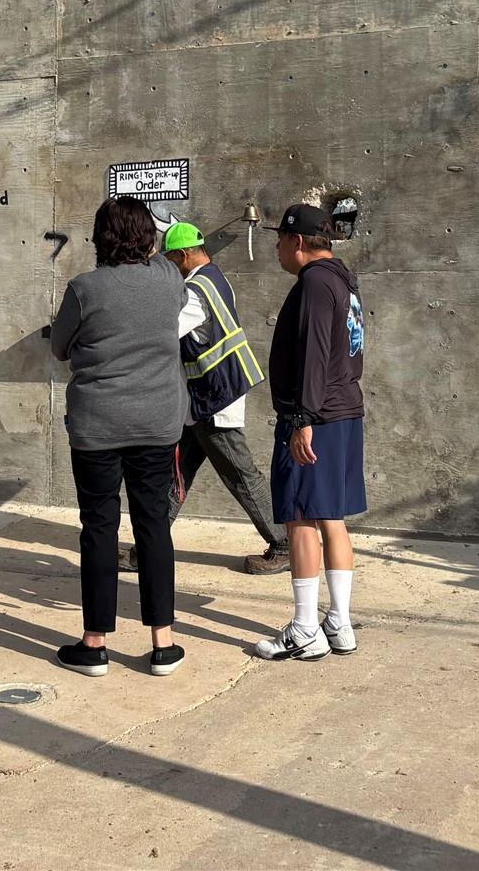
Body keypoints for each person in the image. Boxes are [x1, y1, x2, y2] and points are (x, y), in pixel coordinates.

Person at [48, 196, 187, 678]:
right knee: (154, 526)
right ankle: (163, 643)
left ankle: (95, 645)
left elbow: (60, 347)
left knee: (99, 529)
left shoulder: (84, 289)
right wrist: (159, 234)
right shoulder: (168, 280)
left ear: (99, 239)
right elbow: (169, 252)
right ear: (148, 237)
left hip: (97, 425)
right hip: (157, 423)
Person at [121, 222, 289, 575]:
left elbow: (163, 333)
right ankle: (145, 550)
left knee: (241, 475)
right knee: (173, 478)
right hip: (202, 400)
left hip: (214, 401)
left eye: (170, 260)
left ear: (183, 255)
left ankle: (285, 544)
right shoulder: (214, 278)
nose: (168, 267)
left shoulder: (196, 293)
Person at [253, 203, 367, 662]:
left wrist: (302, 419)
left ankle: (304, 629)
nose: (277, 248)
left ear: (297, 241)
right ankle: (339, 623)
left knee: (299, 516)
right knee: (331, 516)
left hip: (315, 418)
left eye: (279, 239)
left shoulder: (315, 283)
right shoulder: (342, 280)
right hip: (342, 412)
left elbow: (315, 353)